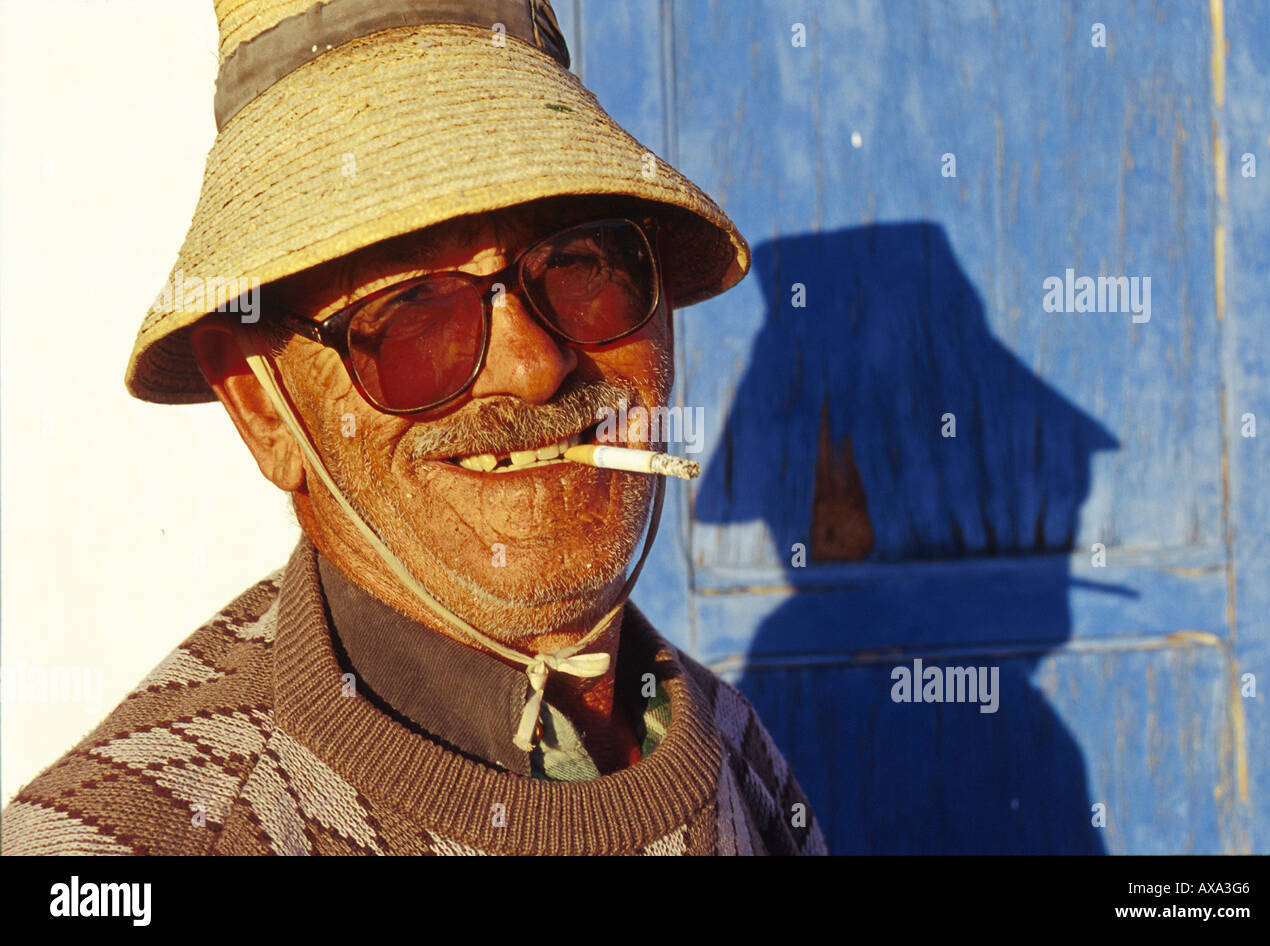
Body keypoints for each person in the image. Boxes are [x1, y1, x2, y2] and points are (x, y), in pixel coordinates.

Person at [1, 0, 825, 856]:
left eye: (583, 262)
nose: (533, 364)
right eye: (411, 310)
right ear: (258, 401)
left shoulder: (732, 751)